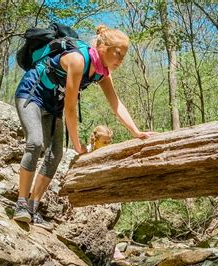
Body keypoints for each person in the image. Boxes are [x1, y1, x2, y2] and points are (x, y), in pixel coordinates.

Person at [13, 25, 156, 225]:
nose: (121, 60)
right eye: (118, 54)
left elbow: (116, 104)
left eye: (124, 56)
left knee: (56, 155)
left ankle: (32, 206)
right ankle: (20, 204)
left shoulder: (102, 72)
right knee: (35, 143)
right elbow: (70, 109)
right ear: (102, 47)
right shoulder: (78, 60)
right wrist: (78, 143)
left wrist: (136, 132)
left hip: (53, 103)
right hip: (31, 94)